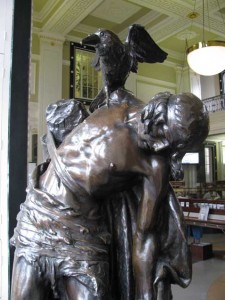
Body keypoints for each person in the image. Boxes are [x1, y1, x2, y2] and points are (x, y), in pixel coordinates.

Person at [11, 89, 209, 300]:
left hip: (82, 231)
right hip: (37, 213)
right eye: (163, 133)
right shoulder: (120, 100)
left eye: (171, 147)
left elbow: (145, 236)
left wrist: (145, 293)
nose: (161, 146)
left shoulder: (155, 166)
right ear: (158, 112)